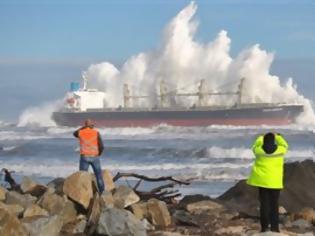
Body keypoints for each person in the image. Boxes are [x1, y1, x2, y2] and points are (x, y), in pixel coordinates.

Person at [247, 132, 289, 233]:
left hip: (262, 182)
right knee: (274, 205)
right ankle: (275, 228)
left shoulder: (258, 150)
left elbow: (254, 146)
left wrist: (260, 137)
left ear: (264, 141)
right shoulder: (280, 150)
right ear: (273, 140)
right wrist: (278, 136)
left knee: (264, 205)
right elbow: (285, 145)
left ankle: (264, 227)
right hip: (275, 182)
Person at [73, 119, 105, 193]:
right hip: (95, 156)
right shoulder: (96, 133)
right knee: (99, 177)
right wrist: (98, 154)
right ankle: (102, 193)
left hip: (84, 157)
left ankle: (83, 194)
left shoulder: (81, 132)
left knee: (83, 177)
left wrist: (84, 127)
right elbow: (102, 146)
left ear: (85, 125)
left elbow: (74, 133)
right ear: (92, 125)